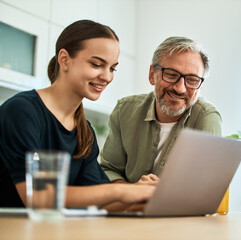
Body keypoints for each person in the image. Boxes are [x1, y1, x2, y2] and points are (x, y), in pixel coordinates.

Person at [0, 20, 154, 211]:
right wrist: (122, 192)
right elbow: (38, 196)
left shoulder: (84, 130)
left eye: (112, 68)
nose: (107, 77)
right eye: (97, 64)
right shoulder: (22, 111)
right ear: (64, 60)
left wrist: (146, 196)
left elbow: (99, 200)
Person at [100, 36, 222, 185]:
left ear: (201, 86)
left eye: (192, 80)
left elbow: (207, 186)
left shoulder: (207, 117)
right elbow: (109, 170)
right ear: (152, 74)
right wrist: (132, 193)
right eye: (171, 74)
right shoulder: (124, 110)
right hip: (126, 208)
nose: (180, 88)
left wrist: (163, 193)